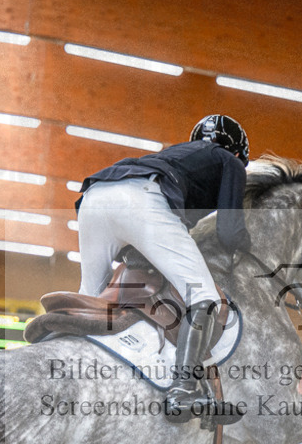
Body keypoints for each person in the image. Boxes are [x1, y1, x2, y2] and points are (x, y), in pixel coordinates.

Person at [74, 114, 252, 424]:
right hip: (142, 199)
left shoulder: (180, 157)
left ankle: (60, 353)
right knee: (205, 297)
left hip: (94, 197)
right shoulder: (230, 162)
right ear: (238, 152)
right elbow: (228, 233)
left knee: (92, 296)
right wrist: (250, 248)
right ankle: (183, 389)